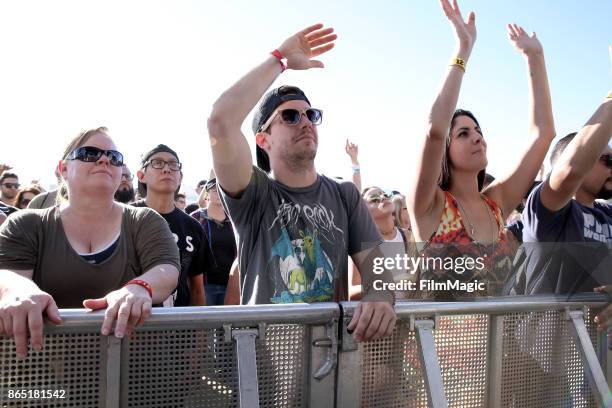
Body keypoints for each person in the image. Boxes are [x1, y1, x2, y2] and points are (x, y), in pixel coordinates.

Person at [207, 23, 395, 342]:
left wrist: (379, 294)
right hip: (264, 366)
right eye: (290, 117)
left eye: (311, 115)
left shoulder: (344, 194)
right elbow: (221, 120)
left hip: (326, 365)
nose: (306, 122)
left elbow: (377, 267)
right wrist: (279, 59)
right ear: (263, 139)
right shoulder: (253, 193)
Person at [407, 0, 555, 299]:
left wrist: (535, 57)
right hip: (439, 344)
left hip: (498, 344)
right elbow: (435, 130)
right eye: (463, 133)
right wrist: (462, 50)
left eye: (479, 131)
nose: (478, 138)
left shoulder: (496, 203)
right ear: (446, 151)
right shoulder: (430, 205)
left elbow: (544, 135)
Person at [0, 127, 180, 358]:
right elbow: (6, 273)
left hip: (135, 373)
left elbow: (167, 268)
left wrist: (139, 287)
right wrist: (19, 290)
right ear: (63, 168)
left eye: (114, 157)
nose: (104, 159)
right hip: (46, 375)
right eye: (89, 153)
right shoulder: (26, 224)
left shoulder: (144, 220)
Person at [512, 92, 611, 306]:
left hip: (596, 339)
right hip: (550, 338)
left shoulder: (608, 215)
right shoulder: (547, 210)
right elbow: (571, 171)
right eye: (607, 159)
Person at [133, 144, 206, 307]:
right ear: (141, 175)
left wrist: (200, 330)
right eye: (157, 163)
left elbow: (197, 289)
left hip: (178, 325)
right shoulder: (124, 218)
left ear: (180, 176)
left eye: (173, 164)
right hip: (129, 322)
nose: (167, 169)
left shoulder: (193, 227)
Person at [350, 187, 417, 300]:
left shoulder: (409, 236)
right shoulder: (361, 243)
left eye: (385, 194)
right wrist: (392, 283)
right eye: (374, 199)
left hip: (411, 313)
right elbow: (351, 293)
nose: (382, 197)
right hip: (382, 315)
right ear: (363, 210)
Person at [191, 177, 237, 306]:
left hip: (230, 283)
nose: (219, 193)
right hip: (204, 284)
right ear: (207, 194)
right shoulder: (196, 218)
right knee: (204, 323)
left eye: (222, 190)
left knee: (227, 324)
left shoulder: (234, 219)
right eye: (215, 190)